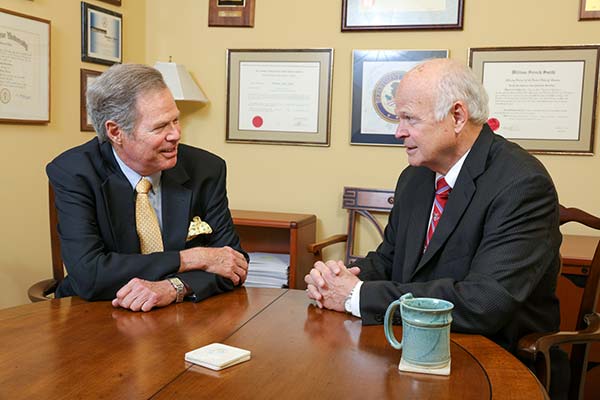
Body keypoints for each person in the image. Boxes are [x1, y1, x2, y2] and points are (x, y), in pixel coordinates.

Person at [305, 58, 563, 377]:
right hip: (411, 348)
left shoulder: (521, 184)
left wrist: (357, 296)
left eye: (409, 119)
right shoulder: (415, 178)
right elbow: (390, 259)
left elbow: (485, 303)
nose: (398, 132)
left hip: (492, 362)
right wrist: (338, 278)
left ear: (456, 116)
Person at [47, 63, 248, 312]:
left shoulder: (205, 169)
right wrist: (191, 258)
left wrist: (174, 287)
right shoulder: (75, 172)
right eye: (160, 126)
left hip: (180, 314)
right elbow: (90, 275)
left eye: (176, 120)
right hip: (95, 312)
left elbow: (234, 264)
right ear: (115, 131)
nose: (175, 134)